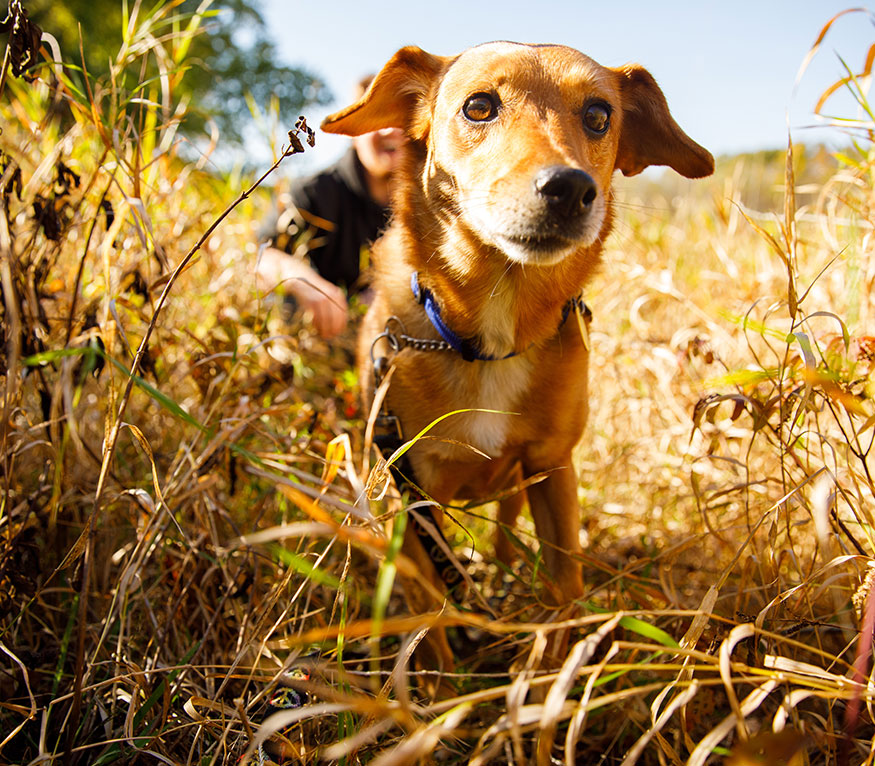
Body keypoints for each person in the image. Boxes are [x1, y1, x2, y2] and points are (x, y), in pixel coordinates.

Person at [257, 76, 404, 339]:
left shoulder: (430, 201)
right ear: (352, 131)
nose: (387, 130)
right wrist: (305, 283)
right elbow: (261, 257)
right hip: (324, 342)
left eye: (396, 119)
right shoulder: (313, 191)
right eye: (376, 119)